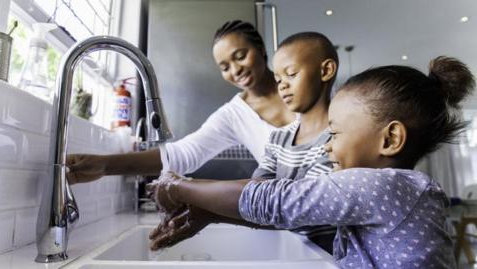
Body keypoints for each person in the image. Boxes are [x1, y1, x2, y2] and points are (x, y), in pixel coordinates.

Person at [150, 56, 475, 268]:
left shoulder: (379, 185)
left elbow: (273, 200)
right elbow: (297, 215)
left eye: (335, 134)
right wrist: (209, 213)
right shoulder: (394, 189)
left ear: (389, 140)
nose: (327, 148)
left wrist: (177, 186)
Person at [150, 31, 339, 253]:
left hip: (332, 259)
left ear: (325, 70)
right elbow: (258, 199)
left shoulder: (339, 139)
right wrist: (210, 213)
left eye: (291, 74)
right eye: (279, 79)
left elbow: (292, 205)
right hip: (300, 253)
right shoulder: (279, 139)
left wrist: (181, 187)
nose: (283, 86)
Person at [66, 20, 294, 183]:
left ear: (261, 50)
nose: (235, 70)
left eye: (241, 56)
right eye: (224, 67)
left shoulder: (299, 82)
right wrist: (105, 165)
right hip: (300, 224)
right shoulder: (233, 115)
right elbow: (183, 154)